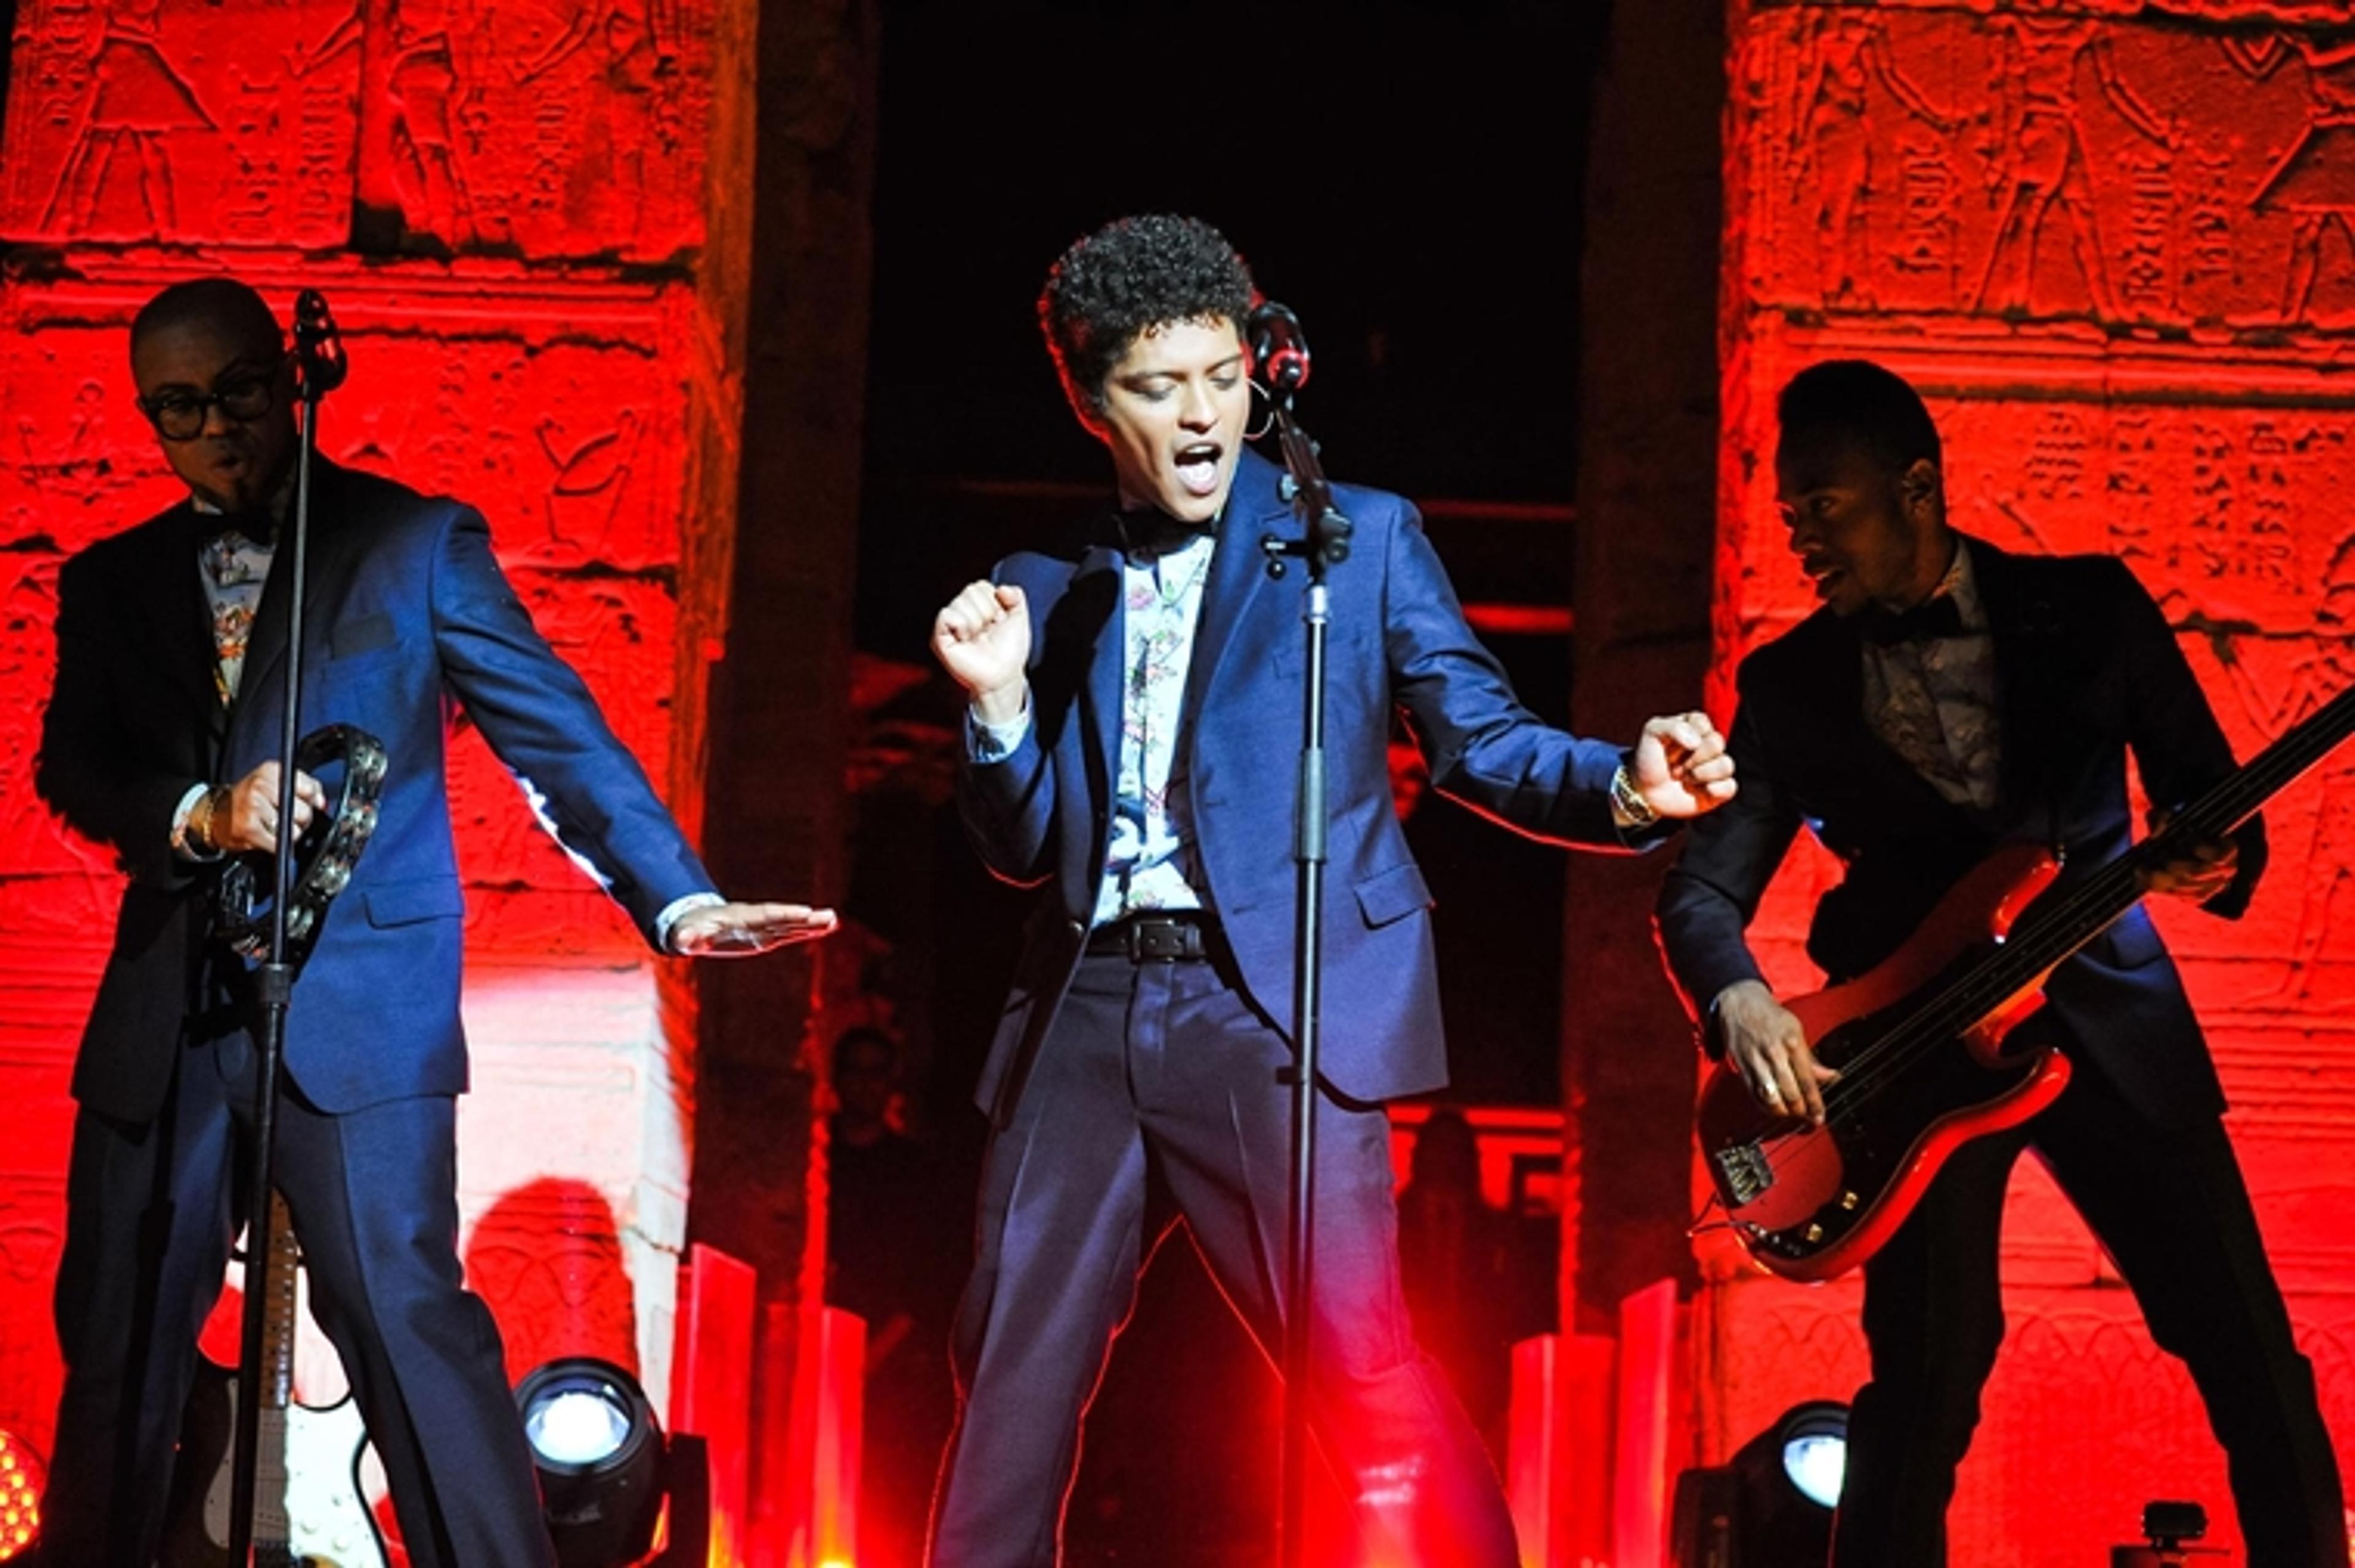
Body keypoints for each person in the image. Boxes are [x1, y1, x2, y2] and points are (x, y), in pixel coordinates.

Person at [926, 213, 1735, 1567]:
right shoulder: (1039, 586)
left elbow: (1480, 740)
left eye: (1221, 377)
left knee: (1361, 1376)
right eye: (1156, 386)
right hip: (1084, 1005)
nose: (1199, 418)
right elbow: (1019, 849)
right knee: (1005, 1387)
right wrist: (1000, 706)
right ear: (1087, 398)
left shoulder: (1351, 539)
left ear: (1259, 368)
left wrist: (1628, 787)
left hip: (1274, 1009)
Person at [31, 275, 837, 1567]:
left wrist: (677, 897)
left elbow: (553, 730)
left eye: (238, 391)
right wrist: (197, 811)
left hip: (357, 1006)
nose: (216, 428)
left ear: (288, 379)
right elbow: (73, 766)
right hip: (168, 1021)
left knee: (409, 1324)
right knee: (118, 1342)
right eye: (178, 410)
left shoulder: (411, 543)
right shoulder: (114, 581)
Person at [1654, 359, 2346, 1566]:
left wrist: (2207, 860)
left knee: (2243, 1343)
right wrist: (1739, 997)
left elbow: (2217, 812)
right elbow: (1702, 885)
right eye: (1790, 512)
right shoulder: (1788, 684)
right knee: (1925, 1375)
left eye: (1826, 503)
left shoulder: (2092, 612)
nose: (1802, 532)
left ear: (1915, 485)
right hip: (1906, 1061)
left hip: (2108, 1017)